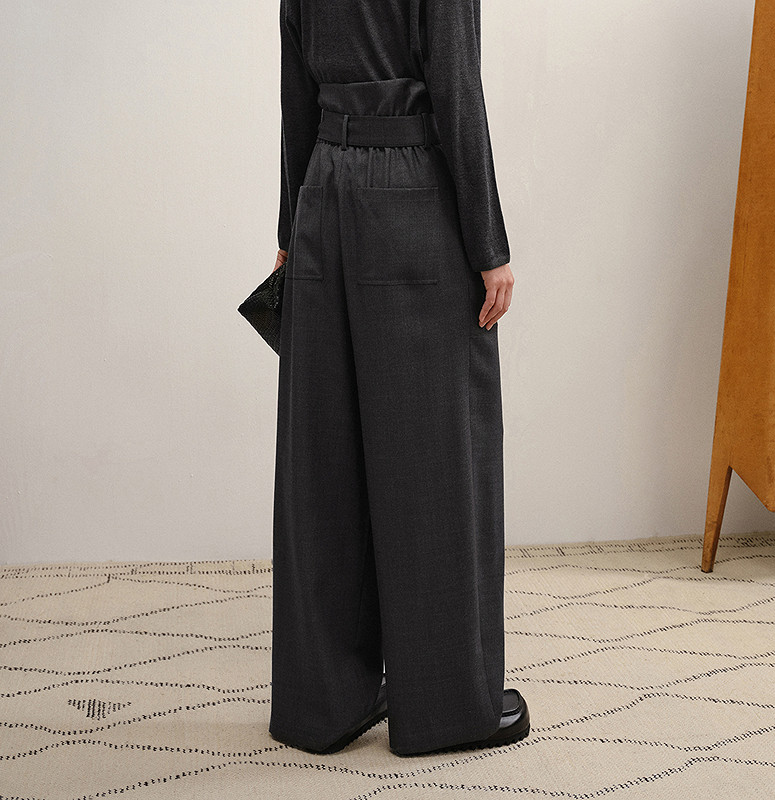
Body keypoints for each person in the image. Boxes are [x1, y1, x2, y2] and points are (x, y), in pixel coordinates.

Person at [267, 0, 529, 757]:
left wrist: (290, 229)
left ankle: (323, 704)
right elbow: (457, 89)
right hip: (411, 195)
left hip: (323, 193)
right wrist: (488, 246)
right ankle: (448, 707)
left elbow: (295, 93)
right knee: (437, 456)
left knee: (326, 459)